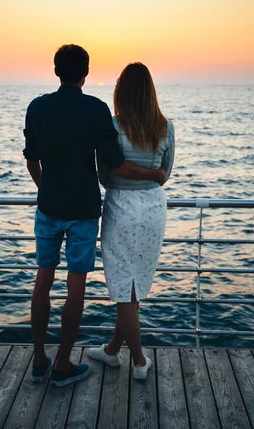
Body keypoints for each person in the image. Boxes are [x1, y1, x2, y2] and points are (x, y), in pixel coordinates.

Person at [23, 45, 166, 387]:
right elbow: (114, 165)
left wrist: (47, 189)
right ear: (85, 74)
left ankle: (40, 359)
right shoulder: (96, 110)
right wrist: (155, 176)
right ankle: (63, 364)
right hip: (85, 210)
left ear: (56, 70)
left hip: (49, 207)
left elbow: (32, 160)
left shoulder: (37, 107)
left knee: (43, 280)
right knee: (76, 287)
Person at [89, 63, 175, 380]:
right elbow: (164, 175)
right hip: (153, 207)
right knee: (133, 283)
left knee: (124, 286)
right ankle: (113, 350)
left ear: (120, 92)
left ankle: (138, 361)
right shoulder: (166, 127)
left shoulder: (111, 127)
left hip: (120, 207)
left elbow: (104, 175)